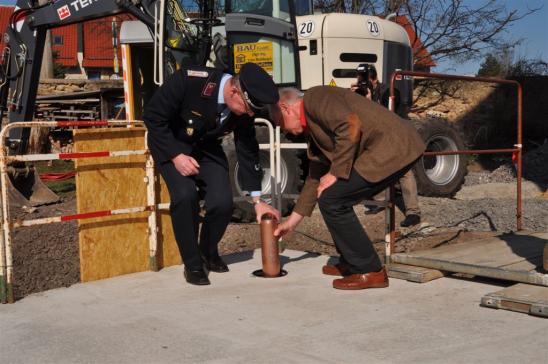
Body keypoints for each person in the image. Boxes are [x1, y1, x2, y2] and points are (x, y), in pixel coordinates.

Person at [271, 86, 425, 290]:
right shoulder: (313, 127)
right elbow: (315, 175)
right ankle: (353, 262)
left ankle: (369, 270)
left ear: (285, 108)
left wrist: (334, 173)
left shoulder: (316, 98)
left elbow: (350, 124)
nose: (283, 130)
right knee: (331, 197)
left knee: (333, 199)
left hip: (393, 147)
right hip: (384, 149)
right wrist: (292, 221)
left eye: (280, 123)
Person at [143, 63, 280, 286]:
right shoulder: (189, 80)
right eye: (248, 108)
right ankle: (193, 263)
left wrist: (256, 200)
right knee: (186, 197)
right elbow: (153, 118)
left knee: (223, 202)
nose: (249, 113)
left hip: (205, 147)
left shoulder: (243, 107)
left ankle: (207, 251)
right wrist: (177, 156)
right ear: (234, 91)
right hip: (171, 143)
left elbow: (246, 146)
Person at [351, 64, 422, 227]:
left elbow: (387, 117)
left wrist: (369, 102)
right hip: (381, 136)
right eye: (358, 79)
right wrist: (354, 98)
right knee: (377, 163)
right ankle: (380, 201)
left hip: (399, 133)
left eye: (363, 79)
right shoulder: (362, 93)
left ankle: (413, 212)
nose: (361, 82)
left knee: (404, 172)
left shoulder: (389, 92)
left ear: (373, 78)